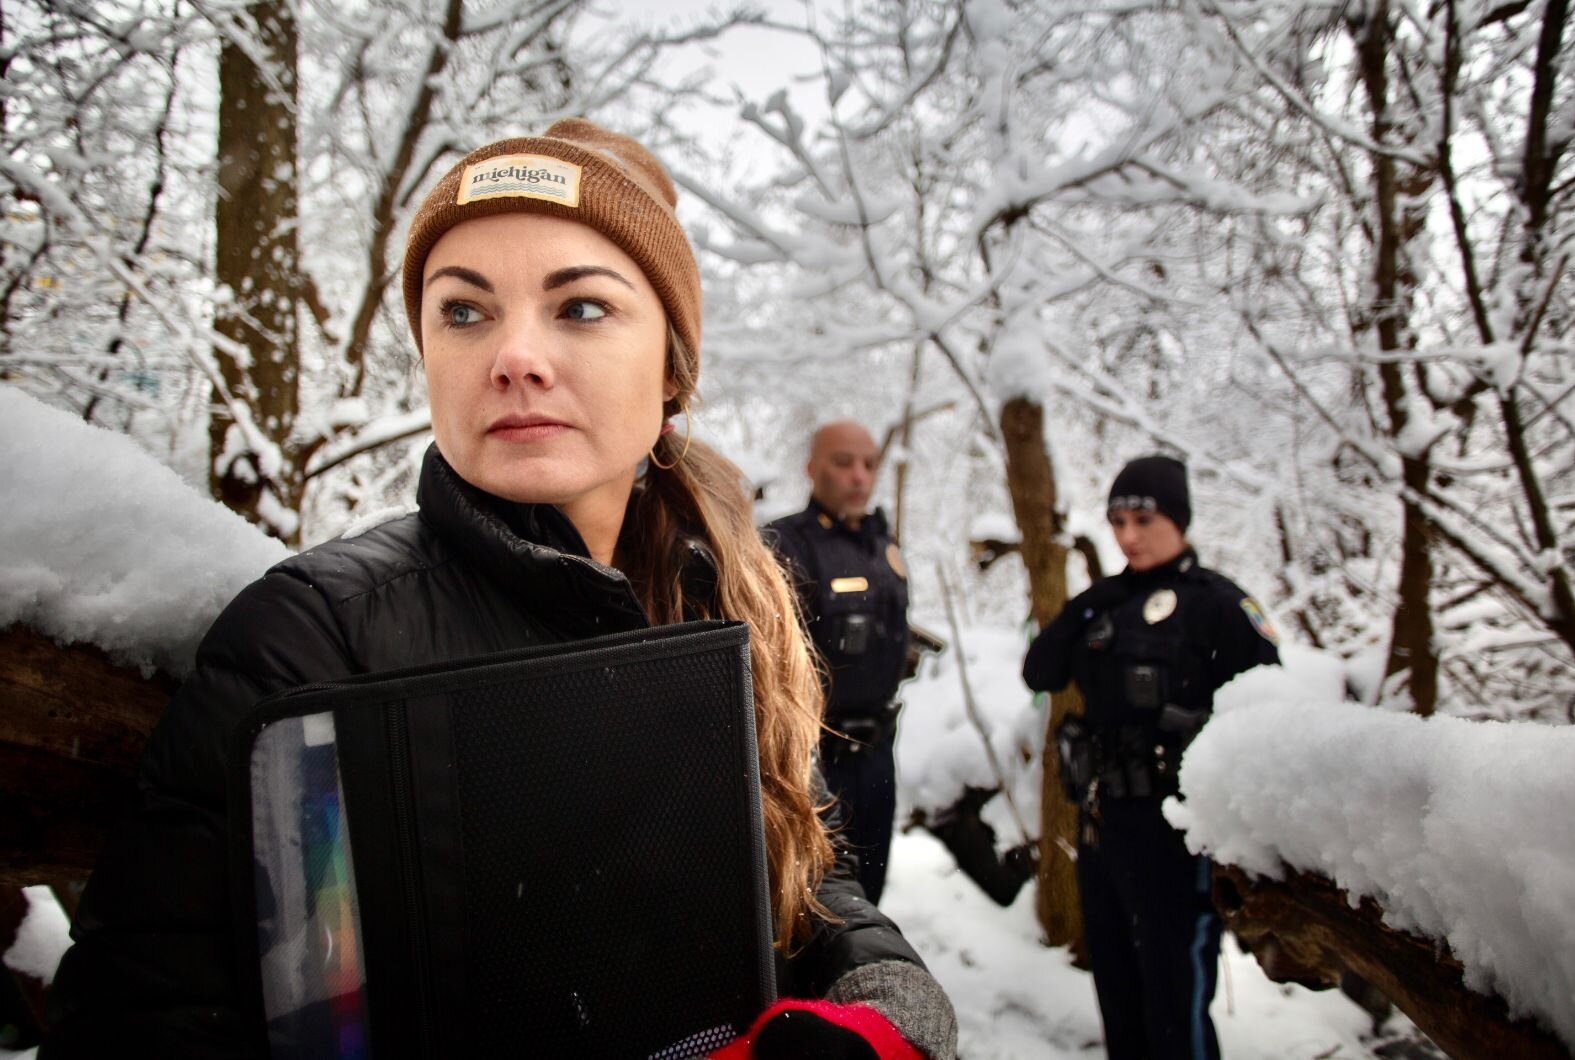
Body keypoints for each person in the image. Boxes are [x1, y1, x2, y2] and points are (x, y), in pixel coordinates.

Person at [43, 120, 956, 1060]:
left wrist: (878, 1006)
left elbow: (806, 876)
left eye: (582, 309)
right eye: (466, 311)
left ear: (673, 370)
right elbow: (137, 1017)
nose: (513, 356)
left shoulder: (720, 601)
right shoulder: (314, 637)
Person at [1021, 455, 1280, 1060]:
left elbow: (1271, 707)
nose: (1128, 536)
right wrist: (1089, 603)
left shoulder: (1218, 604)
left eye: (1143, 518)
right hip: (1102, 820)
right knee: (1116, 985)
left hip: (1175, 832)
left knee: (1174, 995)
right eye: (1117, 521)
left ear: (1179, 519)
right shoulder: (1103, 603)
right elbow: (1041, 669)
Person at [763, 422, 911, 906]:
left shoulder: (881, 545)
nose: (859, 476)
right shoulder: (785, 544)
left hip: (877, 755)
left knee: (872, 895)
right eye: (843, 462)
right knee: (821, 904)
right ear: (811, 468)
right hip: (819, 760)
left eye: (869, 464)